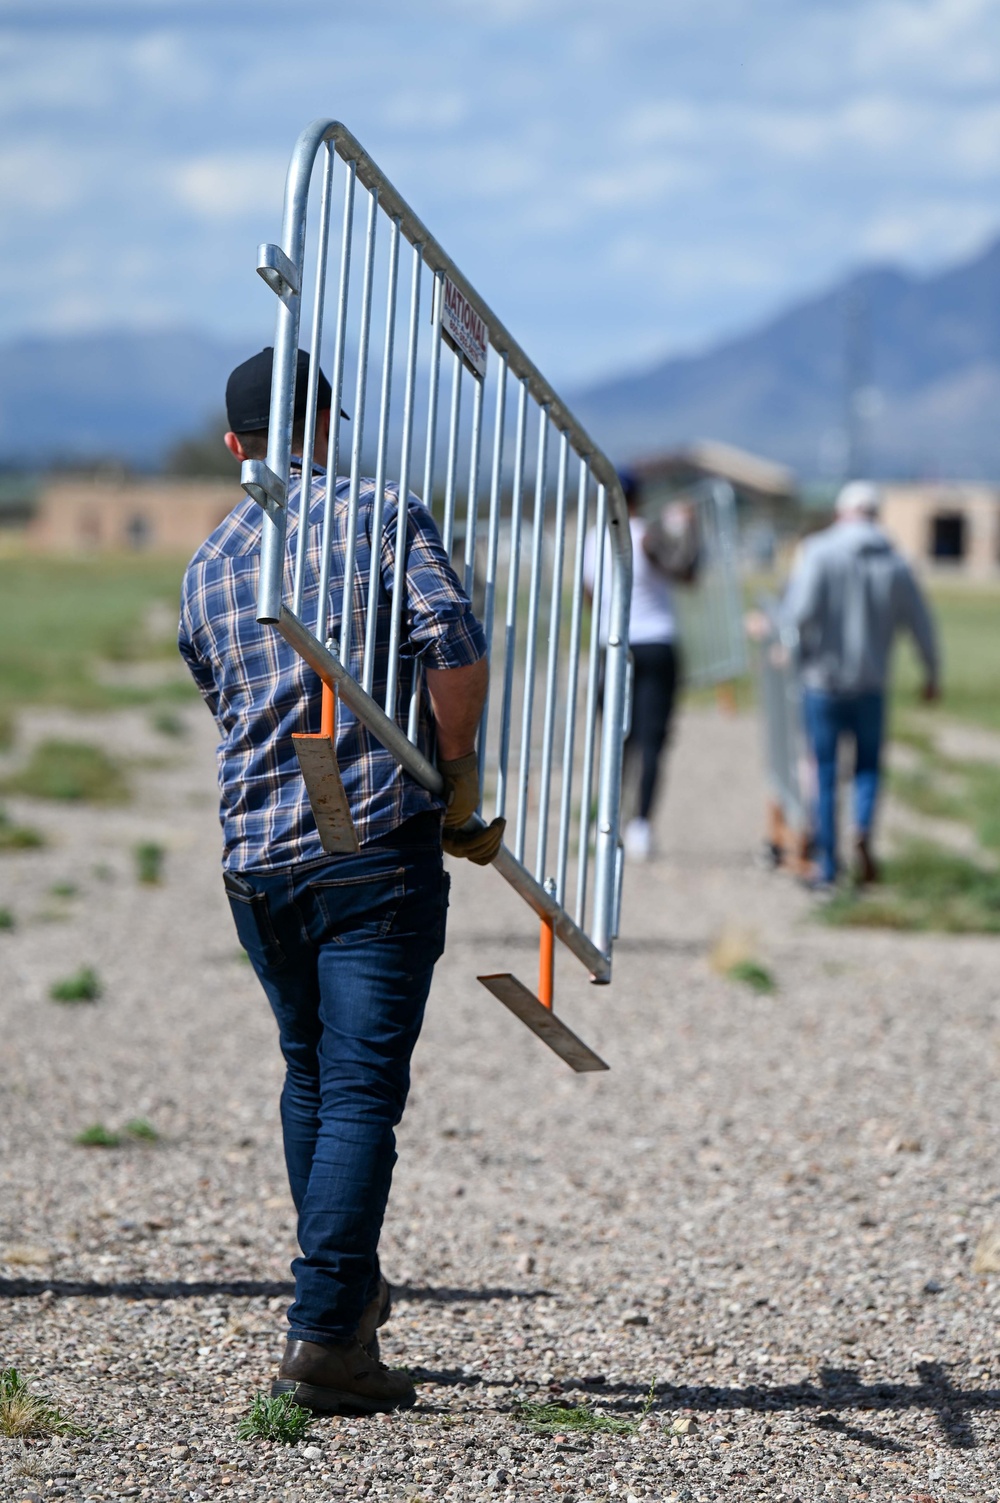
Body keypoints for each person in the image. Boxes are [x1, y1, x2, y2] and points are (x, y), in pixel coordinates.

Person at [178, 347, 503, 1414]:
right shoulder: (379, 510)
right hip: (368, 839)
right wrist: (453, 778)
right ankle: (324, 1332)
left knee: (312, 1074)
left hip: (256, 856)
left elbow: (217, 693)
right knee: (360, 1085)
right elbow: (451, 650)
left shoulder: (210, 559)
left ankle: (346, 1299)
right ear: (325, 423)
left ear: (236, 447)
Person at [781, 479, 939, 888]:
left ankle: (828, 866)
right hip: (872, 684)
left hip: (823, 682)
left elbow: (799, 612)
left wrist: (783, 645)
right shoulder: (896, 562)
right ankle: (862, 826)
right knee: (868, 767)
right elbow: (921, 624)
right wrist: (931, 673)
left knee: (827, 770)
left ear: (841, 512)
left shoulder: (819, 551)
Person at [583, 470, 694, 861]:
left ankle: (607, 823)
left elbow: (589, 597)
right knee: (652, 741)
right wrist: (689, 531)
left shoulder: (593, 540)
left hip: (612, 646)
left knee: (617, 740)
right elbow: (686, 572)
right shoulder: (647, 534)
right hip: (656, 642)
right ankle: (641, 825)